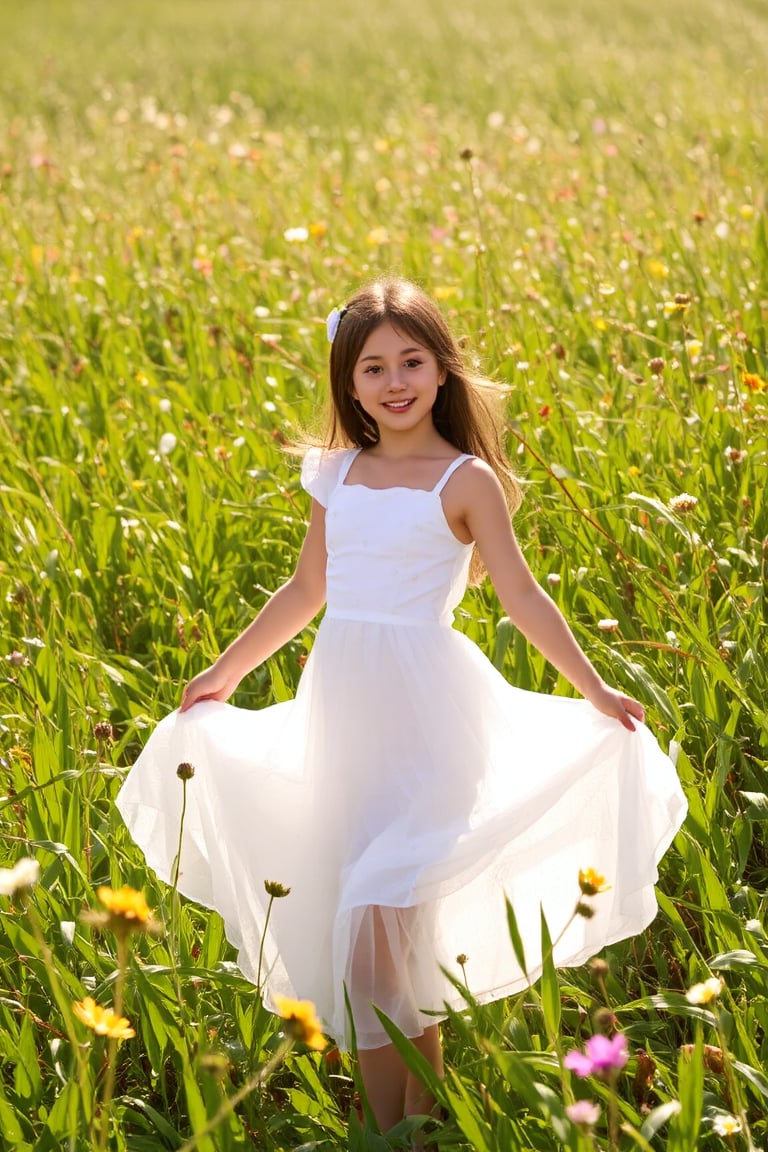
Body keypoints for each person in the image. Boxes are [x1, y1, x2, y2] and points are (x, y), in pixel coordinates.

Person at [116, 277, 687, 1133]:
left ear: (443, 370)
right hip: (344, 725)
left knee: (376, 945)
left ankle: (392, 1138)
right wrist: (226, 672)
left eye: (412, 361)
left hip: (433, 725)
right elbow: (307, 588)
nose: (395, 381)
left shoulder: (466, 481)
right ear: (350, 383)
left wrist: (595, 688)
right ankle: (415, 1127)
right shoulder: (336, 473)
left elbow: (525, 597)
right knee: (385, 960)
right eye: (373, 366)